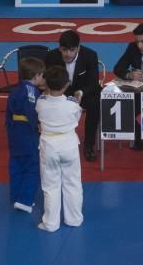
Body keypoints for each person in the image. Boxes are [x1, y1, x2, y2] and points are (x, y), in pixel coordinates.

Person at [35, 66, 84, 232]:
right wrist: (77, 98)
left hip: (48, 146)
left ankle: (50, 223)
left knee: (50, 185)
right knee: (73, 183)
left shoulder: (40, 102)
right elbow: (76, 115)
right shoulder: (72, 104)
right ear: (66, 84)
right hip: (69, 145)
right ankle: (74, 219)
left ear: (46, 83)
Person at [44, 30, 102, 162]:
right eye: (64, 50)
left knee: (95, 104)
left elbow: (94, 83)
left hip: (83, 92)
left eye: (72, 50)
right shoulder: (51, 57)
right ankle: (50, 142)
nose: (68, 54)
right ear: (59, 47)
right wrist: (59, 95)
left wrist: (81, 93)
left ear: (78, 48)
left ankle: (88, 145)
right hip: (60, 93)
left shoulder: (90, 55)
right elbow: (48, 81)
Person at [6, 58, 45, 214]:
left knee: (16, 165)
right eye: (42, 75)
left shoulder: (15, 91)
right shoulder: (30, 91)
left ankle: (16, 197)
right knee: (32, 167)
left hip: (15, 132)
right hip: (28, 132)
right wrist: (37, 125)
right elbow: (30, 110)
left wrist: (10, 130)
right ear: (36, 76)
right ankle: (25, 200)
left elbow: (8, 115)